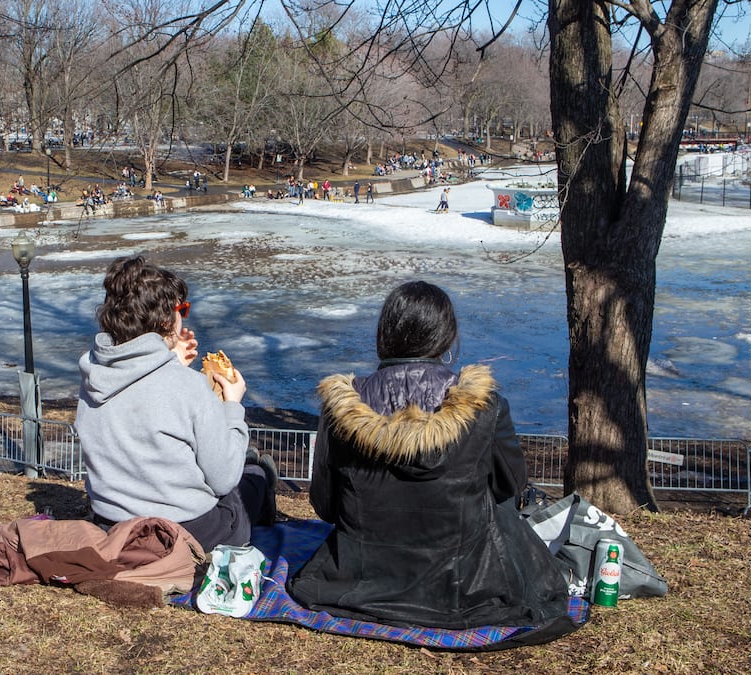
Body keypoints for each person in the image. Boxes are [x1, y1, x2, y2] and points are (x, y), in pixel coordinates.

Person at [288, 281, 572, 638]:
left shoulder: (342, 406)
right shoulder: (484, 405)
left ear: (385, 332)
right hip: (466, 585)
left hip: (361, 577)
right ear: (446, 336)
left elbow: (326, 505)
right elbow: (510, 487)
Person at [75, 255, 276, 553]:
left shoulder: (94, 374)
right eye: (181, 309)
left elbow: (141, 405)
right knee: (255, 478)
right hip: (183, 533)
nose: (184, 317)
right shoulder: (188, 386)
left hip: (113, 525)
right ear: (166, 319)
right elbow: (222, 480)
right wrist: (233, 407)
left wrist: (167, 360)